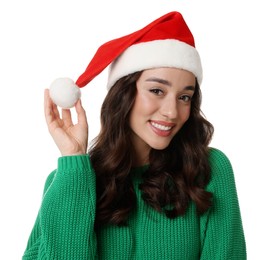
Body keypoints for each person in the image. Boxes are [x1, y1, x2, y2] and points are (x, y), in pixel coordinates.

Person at [22, 11, 246, 259]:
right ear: (124, 94)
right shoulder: (67, 181)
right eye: (157, 90)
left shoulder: (209, 171)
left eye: (185, 97)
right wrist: (74, 162)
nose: (172, 112)